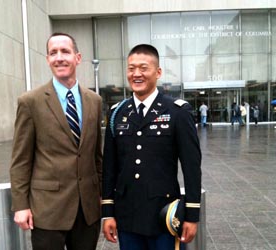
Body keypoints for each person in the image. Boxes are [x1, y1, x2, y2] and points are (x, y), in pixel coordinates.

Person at [102, 44, 202, 249]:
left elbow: (192, 168)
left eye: (143, 68)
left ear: (158, 73)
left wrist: (192, 216)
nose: (136, 74)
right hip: (127, 218)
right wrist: (108, 213)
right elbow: (109, 169)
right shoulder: (117, 113)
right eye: (131, 68)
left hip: (164, 217)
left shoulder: (177, 112)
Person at [10, 32, 103, 250]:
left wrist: (101, 196)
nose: (59, 57)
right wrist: (21, 206)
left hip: (87, 209)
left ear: (77, 58)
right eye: (53, 53)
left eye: (65, 51)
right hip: (47, 210)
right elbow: (20, 160)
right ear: (47, 59)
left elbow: (96, 155)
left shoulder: (94, 101)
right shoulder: (30, 102)